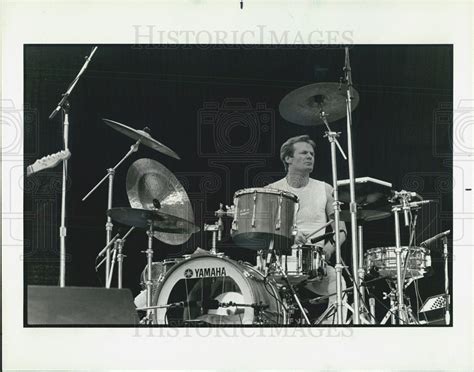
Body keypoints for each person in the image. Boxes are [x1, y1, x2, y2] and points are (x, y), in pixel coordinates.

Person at [266, 134, 348, 323]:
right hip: (281, 261)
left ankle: (328, 329)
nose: (310, 156)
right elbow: (264, 231)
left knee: (339, 283)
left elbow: (341, 228)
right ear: (288, 158)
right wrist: (288, 236)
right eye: (303, 153)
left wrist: (330, 248)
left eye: (311, 153)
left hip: (315, 263)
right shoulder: (272, 189)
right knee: (259, 289)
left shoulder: (325, 189)